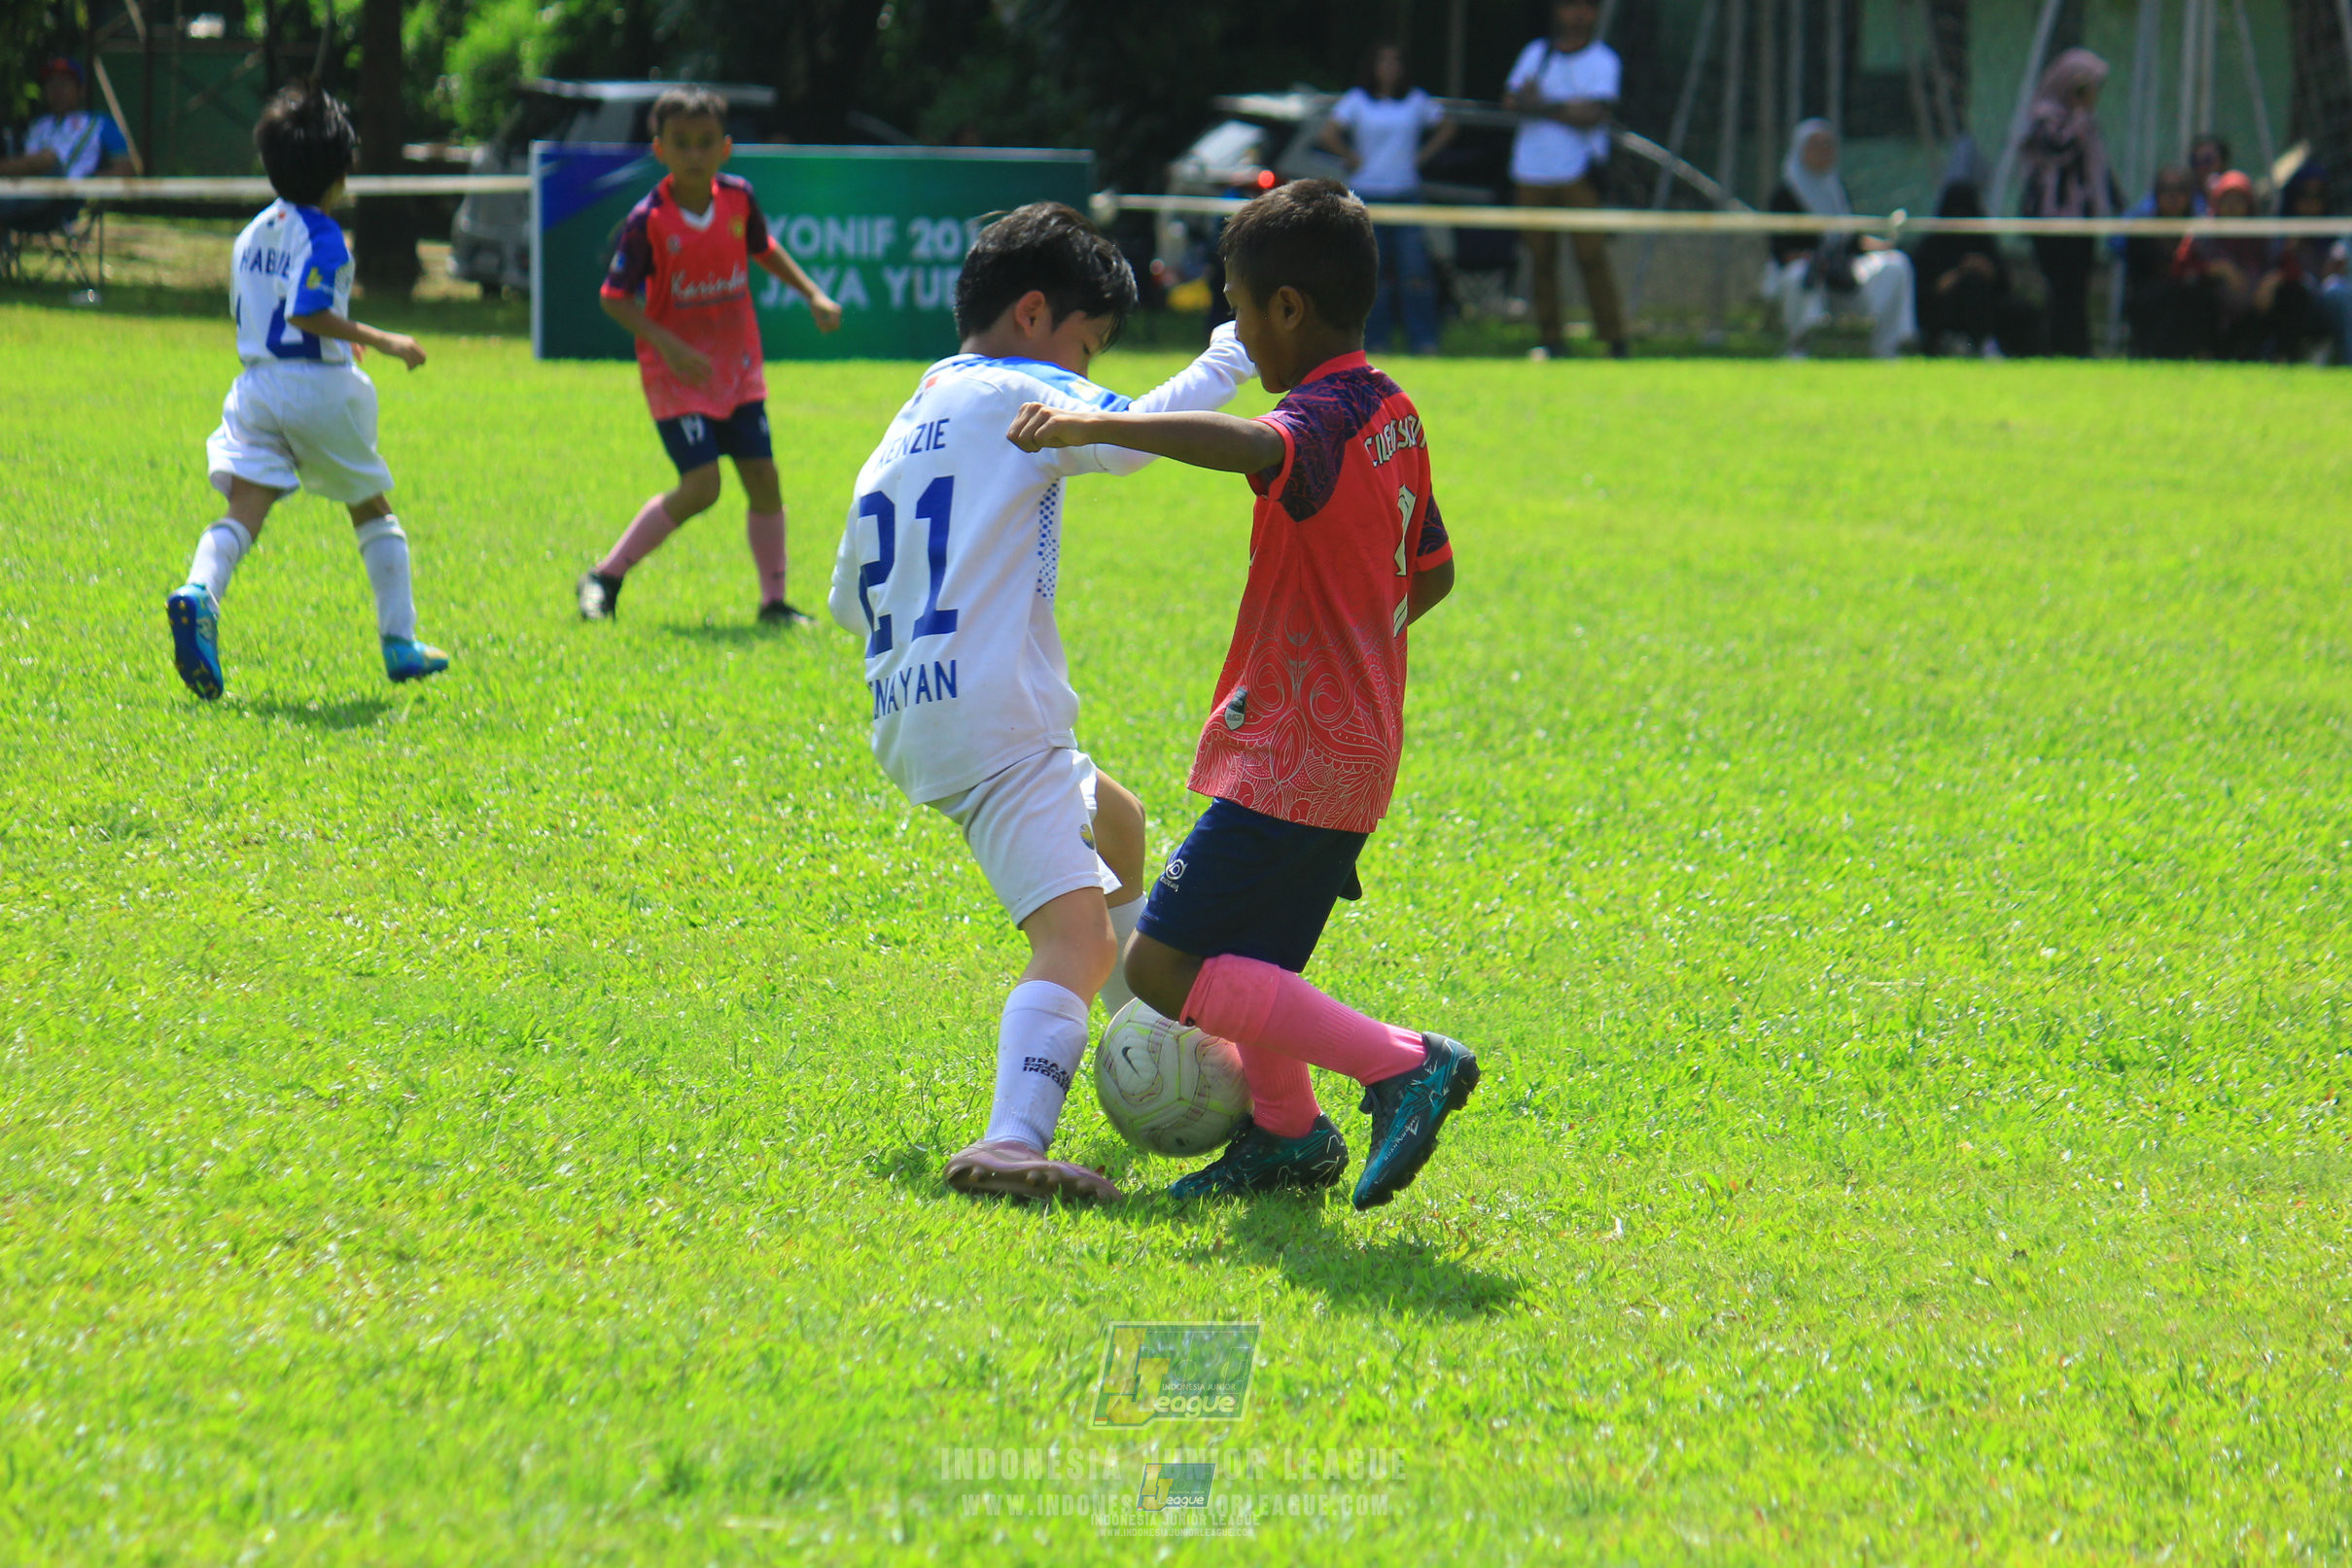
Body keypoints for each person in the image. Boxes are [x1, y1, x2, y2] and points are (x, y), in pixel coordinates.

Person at [1005, 181, 1475, 1211]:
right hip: (1356, 746)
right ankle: (1285, 1134)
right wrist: (1360, 644)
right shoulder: (1393, 408)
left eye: (1242, 309)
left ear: (1291, 309)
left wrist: (1091, 421)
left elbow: (1255, 444)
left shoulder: (1313, 418)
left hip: (1296, 750)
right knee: (1250, 953)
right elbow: (1430, 570)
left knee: (1171, 966)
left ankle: (1402, 1063)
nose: (1242, 333)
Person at [825, 204, 1261, 1204]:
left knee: (1117, 821)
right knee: (1075, 937)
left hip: (917, 706)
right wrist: (1230, 353)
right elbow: (1130, 436)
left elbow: (853, 596)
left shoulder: (907, 420)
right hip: (993, 716)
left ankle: (1148, 1035)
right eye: (1087, 346)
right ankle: (1013, 1137)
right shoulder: (1021, 387)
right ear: (1033, 315)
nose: (1086, 371)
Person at [162, 84, 447, 701]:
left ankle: (199, 593)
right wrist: (385, 338)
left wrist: (337, 340)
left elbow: (269, 312)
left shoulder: (250, 234)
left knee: (245, 510)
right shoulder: (323, 236)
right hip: (317, 391)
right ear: (341, 172)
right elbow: (307, 312)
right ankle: (401, 642)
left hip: (256, 388)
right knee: (371, 506)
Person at [578, 87, 843, 626]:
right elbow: (613, 297)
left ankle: (774, 603)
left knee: (764, 479)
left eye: (705, 143)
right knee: (702, 488)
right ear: (660, 150)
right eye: (682, 144)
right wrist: (670, 346)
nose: (694, 154)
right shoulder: (648, 219)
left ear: (725, 148)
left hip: (737, 370)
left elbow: (763, 247)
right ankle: (605, 576)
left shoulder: (739, 199)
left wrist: (812, 293)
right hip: (677, 376)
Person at [1503, 0, 1629, 359]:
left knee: (1591, 254)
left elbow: (1593, 114)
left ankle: (1614, 338)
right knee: (1541, 259)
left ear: (1595, 15)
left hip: (1579, 173)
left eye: (1586, 8)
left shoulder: (1603, 60)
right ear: (1558, 11)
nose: (1577, 15)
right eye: (1570, 7)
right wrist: (1564, 108)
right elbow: (1512, 101)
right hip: (1530, 172)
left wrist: (1540, 104)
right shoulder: (1537, 53)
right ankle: (1551, 339)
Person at [1317, 40, 1454, 355]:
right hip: (1368, 195)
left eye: (1396, 61)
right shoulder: (1356, 101)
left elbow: (1447, 127)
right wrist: (1351, 157)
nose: (1389, 68)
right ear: (1372, 66)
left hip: (1406, 192)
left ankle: (1423, 340)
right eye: (1383, 60)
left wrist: (1421, 157)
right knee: (1371, 274)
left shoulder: (1416, 100)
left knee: (1415, 272)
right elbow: (1328, 133)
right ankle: (1372, 342)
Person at [1765, 121, 1916, 357]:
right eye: (1816, 145)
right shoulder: (1785, 193)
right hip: (1807, 269)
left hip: (1844, 268)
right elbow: (1782, 250)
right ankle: (1799, 347)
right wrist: (1816, 260)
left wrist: (1883, 246)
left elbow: (1849, 238)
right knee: (1799, 276)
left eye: (1828, 145)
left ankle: (1887, 348)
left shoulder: (1835, 189)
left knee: (1896, 265)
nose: (1824, 151)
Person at [2017, 49, 2119, 358]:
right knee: (2061, 287)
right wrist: (2079, 111)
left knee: (2076, 287)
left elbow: (2097, 167)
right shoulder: (2046, 117)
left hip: (2081, 220)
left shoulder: (2085, 121)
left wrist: (2115, 202)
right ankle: (2061, 348)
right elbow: (2058, 151)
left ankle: (2076, 347)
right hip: (2050, 219)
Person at [2173, 170, 2309, 361]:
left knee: (2295, 294)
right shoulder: (2202, 234)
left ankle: (2284, 357)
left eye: (2239, 201)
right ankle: (2202, 355)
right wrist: (2216, 269)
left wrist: (2273, 280)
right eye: (2226, 201)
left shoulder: (2264, 234)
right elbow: (2180, 268)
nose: (2232, 207)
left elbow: (2294, 270)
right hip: (2217, 317)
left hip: (2256, 313)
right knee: (2192, 290)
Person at [0, 57, 134, 236]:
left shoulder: (99, 124)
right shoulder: (38, 125)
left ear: (80, 90)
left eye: (64, 84)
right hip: (19, 193)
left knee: (48, 158)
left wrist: (91, 181)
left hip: (62, 199)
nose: (57, 91)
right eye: (51, 84)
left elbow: (126, 167)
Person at [1912, 149, 2008, 357]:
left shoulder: (1983, 240)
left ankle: (1983, 342)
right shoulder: (1932, 245)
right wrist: (1957, 275)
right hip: (1943, 307)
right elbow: (1926, 288)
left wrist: (1984, 269)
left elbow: (2003, 281)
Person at [2121, 164, 2202, 358]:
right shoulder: (2142, 231)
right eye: (2166, 191)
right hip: (2152, 301)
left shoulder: (2201, 231)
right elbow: (2136, 280)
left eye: (2180, 191)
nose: (2173, 197)